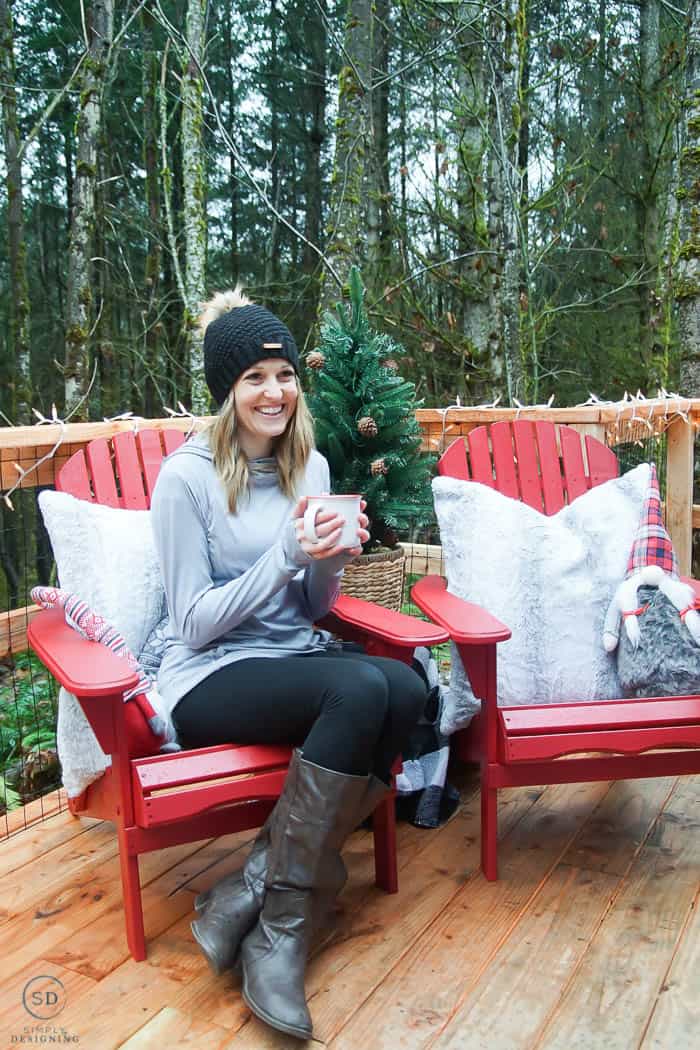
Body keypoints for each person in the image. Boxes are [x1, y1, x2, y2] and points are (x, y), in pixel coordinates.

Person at [150, 289, 429, 1040]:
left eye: (283, 374)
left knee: (405, 689)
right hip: (206, 675)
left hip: (291, 656)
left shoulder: (313, 466)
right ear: (227, 393)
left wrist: (331, 561)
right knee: (358, 688)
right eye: (254, 379)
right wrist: (282, 556)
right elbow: (192, 622)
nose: (274, 392)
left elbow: (308, 609)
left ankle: (247, 891)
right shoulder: (185, 481)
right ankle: (281, 933)